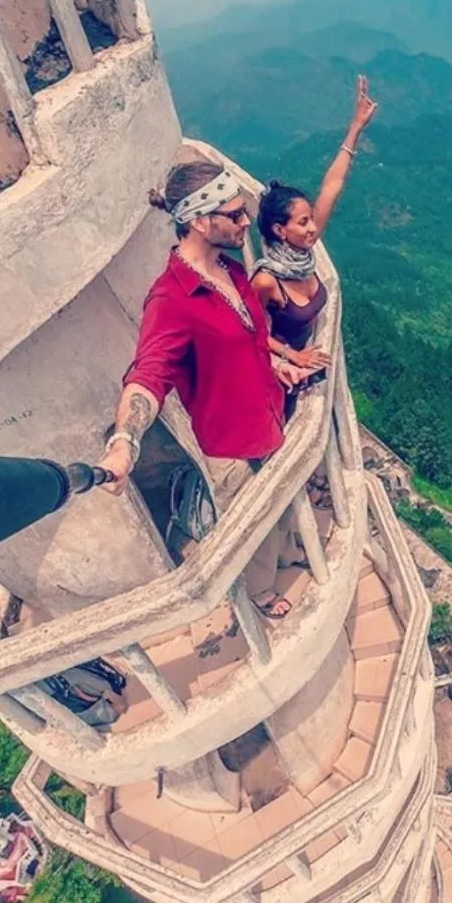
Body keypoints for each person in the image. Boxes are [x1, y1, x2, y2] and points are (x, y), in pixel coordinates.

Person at [98, 159, 311, 619]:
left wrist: (277, 364)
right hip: (234, 444)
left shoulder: (230, 272)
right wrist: (124, 442)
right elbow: (147, 373)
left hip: (270, 417)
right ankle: (259, 593)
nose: (246, 222)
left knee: (284, 504)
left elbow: (248, 341)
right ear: (199, 220)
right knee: (255, 524)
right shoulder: (172, 299)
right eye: (234, 215)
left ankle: (290, 553)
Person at [252, 75, 378, 388]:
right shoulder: (267, 279)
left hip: (305, 371)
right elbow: (246, 329)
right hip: (276, 376)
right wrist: (291, 357)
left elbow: (332, 185)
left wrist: (355, 127)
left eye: (311, 219)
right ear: (280, 230)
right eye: (303, 222)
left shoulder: (302, 251)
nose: (312, 228)